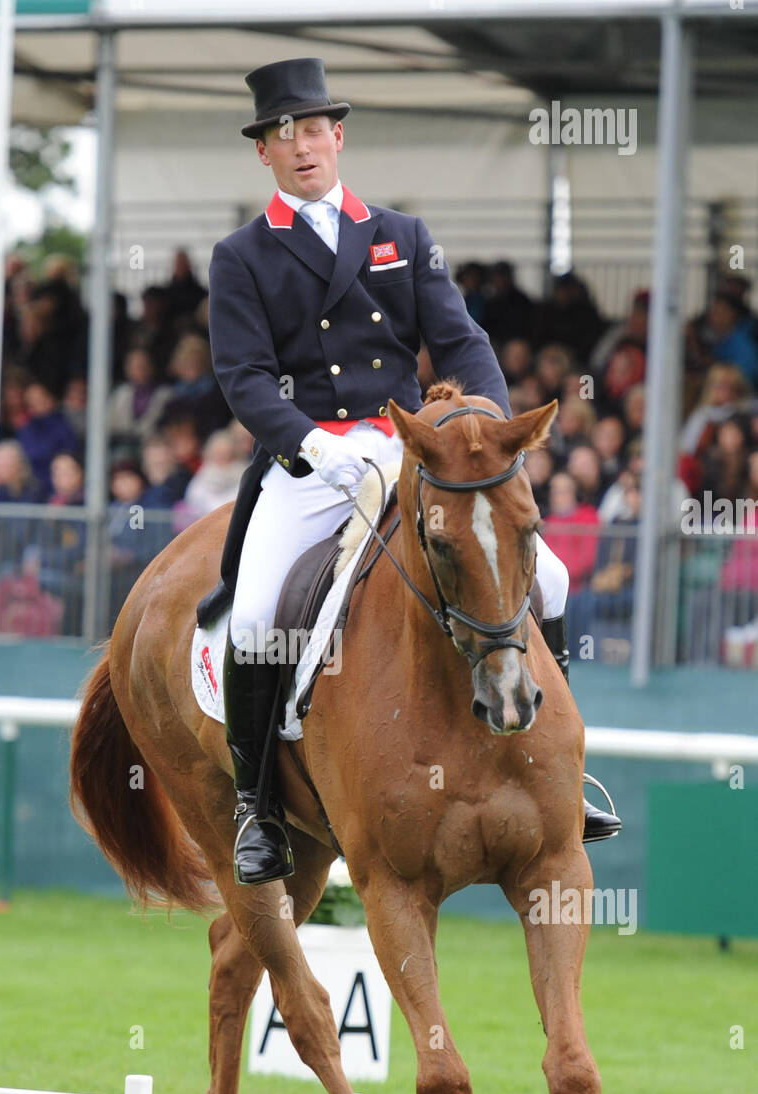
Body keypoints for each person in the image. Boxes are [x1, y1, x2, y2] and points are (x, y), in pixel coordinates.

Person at [207, 57, 618, 885]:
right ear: (265, 153)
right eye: (284, 136)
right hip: (310, 463)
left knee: (560, 582)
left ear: (337, 136)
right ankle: (259, 809)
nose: (303, 147)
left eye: (315, 130)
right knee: (253, 616)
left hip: (413, 451)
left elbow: (463, 343)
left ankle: (560, 771)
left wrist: (484, 435)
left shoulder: (403, 236)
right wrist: (314, 446)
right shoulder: (242, 255)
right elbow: (245, 377)